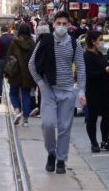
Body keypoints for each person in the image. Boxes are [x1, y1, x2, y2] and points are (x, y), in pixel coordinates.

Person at [28, 11, 86, 174]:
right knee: (47, 124)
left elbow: (81, 67)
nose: (61, 26)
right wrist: (40, 82)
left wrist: (81, 90)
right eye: (58, 23)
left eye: (64, 24)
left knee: (64, 127)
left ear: (69, 26)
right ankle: (51, 153)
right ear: (53, 25)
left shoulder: (75, 44)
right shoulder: (45, 41)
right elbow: (31, 64)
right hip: (49, 90)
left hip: (67, 91)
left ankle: (61, 159)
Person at [84, 30, 109, 153]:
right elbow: (90, 74)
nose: (102, 42)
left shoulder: (100, 54)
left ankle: (105, 140)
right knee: (92, 118)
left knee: (106, 116)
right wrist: (105, 71)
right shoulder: (87, 56)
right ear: (93, 41)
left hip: (105, 91)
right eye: (100, 39)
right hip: (93, 91)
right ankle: (94, 142)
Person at [7, 24, 35, 127]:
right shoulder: (32, 43)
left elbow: (9, 57)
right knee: (26, 94)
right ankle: (26, 120)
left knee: (13, 93)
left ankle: (17, 110)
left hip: (15, 72)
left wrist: (7, 72)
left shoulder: (15, 42)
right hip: (28, 73)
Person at [0, 25, 14, 96]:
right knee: (11, 76)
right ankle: (12, 92)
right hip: (10, 60)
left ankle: (0, 93)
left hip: (1, 60)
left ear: (1, 31)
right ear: (8, 31)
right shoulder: (12, 39)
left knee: (0, 77)